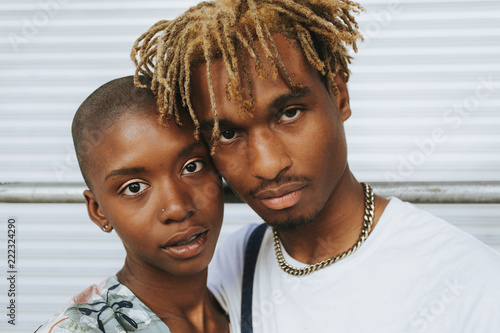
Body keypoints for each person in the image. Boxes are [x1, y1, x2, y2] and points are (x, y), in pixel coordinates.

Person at [131, 0, 500, 332]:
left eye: (289, 113)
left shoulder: (471, 280)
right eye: (228, 134)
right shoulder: (233, 262)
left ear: (339, 95)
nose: (267, 165)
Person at [36, 76, 230, 332]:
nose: (177, 208)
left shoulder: (245, 298)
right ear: (98, 211)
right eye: (134, 187)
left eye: (191, 167)